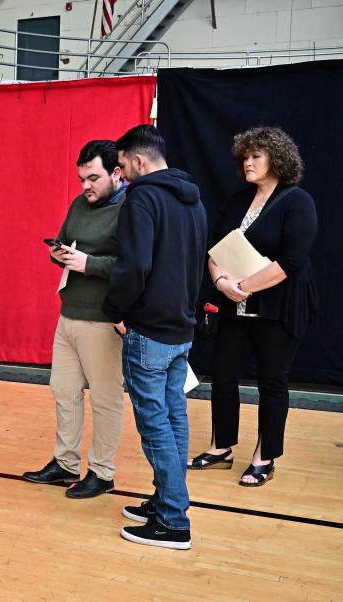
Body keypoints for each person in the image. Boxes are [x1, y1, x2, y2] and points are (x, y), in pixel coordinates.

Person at [189, 126, 317, 487]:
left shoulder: (298, 201)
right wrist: (220, 283)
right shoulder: (235, 201)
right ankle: (220, 448)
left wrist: (242, 286)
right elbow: (213, 250)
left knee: (272, 382)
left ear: (276, 159)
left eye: (255, 156)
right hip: (234, 307)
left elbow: (290, 263)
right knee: (223, 375)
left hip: (279, 309)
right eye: (244, 156)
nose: (247, 162)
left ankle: (265, 457)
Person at [103, 124, 207, 550]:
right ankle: (168, 498)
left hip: (149, 330)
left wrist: (116, 308)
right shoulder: (193, 199)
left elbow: (134, 265)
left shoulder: (142, 198)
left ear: (139, 161)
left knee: (154, 423)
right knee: (174, 415)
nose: (122, 175)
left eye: (123, 166)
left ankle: (172, 520)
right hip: (182, 328)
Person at [22, 140, 127, 499]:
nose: (86, 186)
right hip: (68, 313)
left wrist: (90, 264)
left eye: (94, 178)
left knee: (105, 397)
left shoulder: (131, 208)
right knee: (63, 392)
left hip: (103, 320)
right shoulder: (80, 204)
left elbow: (135, 265)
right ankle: (64, 463)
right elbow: (67, 242)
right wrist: (59, 254)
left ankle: (102, 472)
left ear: (117, 173)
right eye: (82, 178)